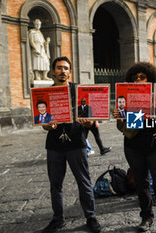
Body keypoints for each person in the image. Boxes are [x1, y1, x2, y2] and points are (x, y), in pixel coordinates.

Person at [114, 62, 156, 233]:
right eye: (135, 78)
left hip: (155, 146)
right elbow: (121, 128)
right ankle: (146, 218)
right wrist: (120, 118)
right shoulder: (126, 99)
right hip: (133, 146)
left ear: (150, 79)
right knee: (141, 183)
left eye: (142, 77)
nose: (138, 80)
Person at [41, 57, 101, 233]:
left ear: (70, 71)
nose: (62, 71)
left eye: (66, 68)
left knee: (84, 182)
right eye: (59, 68)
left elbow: (90, 116)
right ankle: (58, 219)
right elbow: (43, 121)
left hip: (77, 143)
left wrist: (88, 123)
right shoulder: (45, 94)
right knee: (55, 184)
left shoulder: (79, 90)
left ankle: (91, 217)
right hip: (54, 145)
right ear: (53, 71)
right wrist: (46, 125)